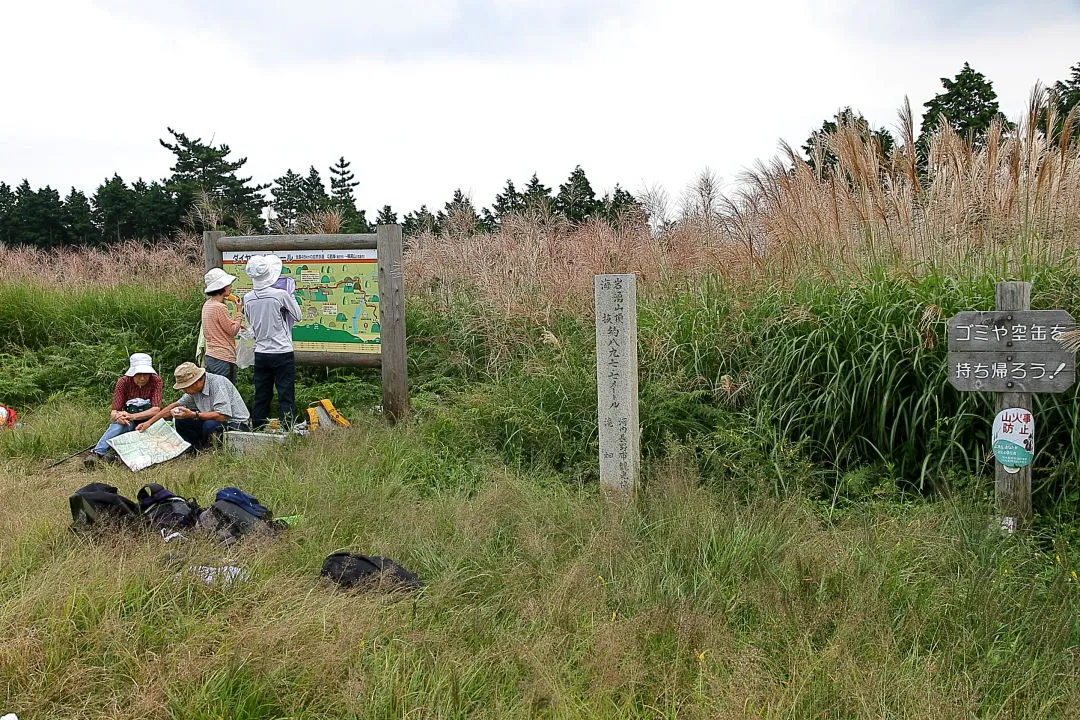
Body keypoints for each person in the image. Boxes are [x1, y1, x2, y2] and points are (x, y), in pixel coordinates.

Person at [243, 254, 301, 429]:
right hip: (282, 351)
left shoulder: (248, 298)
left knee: (262, 393)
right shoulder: (280, 295)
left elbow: (250, 323)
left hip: (261, 352)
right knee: (285, 393)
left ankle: (257, 426)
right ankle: (287, 428)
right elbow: (298, 316)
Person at [137, 362, 250, 451]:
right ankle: (196, 449)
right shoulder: (194, 391)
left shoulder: (217, 383)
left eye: (186, 387)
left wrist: (194, 414)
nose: (185, 391)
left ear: (197, 381)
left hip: (235, 424)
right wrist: (149, 423)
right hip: (211, 421)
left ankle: (211, 450)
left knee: (210, 424)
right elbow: (175, 405)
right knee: (182, 421)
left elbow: (222, 416)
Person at [84, 353, 163, 467]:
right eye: (138, 374)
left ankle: (118, 457)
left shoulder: (156, 381)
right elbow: (115, 410)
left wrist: (133, 416)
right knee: (118, 426)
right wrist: (117, 417)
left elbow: (156, 409)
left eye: (146, 374)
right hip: (127, 418)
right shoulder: (123, 382)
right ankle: (96, 453)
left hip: (149, 419)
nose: (142, 378)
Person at [201, 267, 244, 384]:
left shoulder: (208, 304)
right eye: (229, 285)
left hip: (211, 355)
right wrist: (239, 311)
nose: (231, 287)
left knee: (214, 391)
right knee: (225, 392)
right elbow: (232, 330)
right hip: (223, 357)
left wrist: (236, 323)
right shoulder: (220, 307)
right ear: (222, 287)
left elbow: (219, 327)